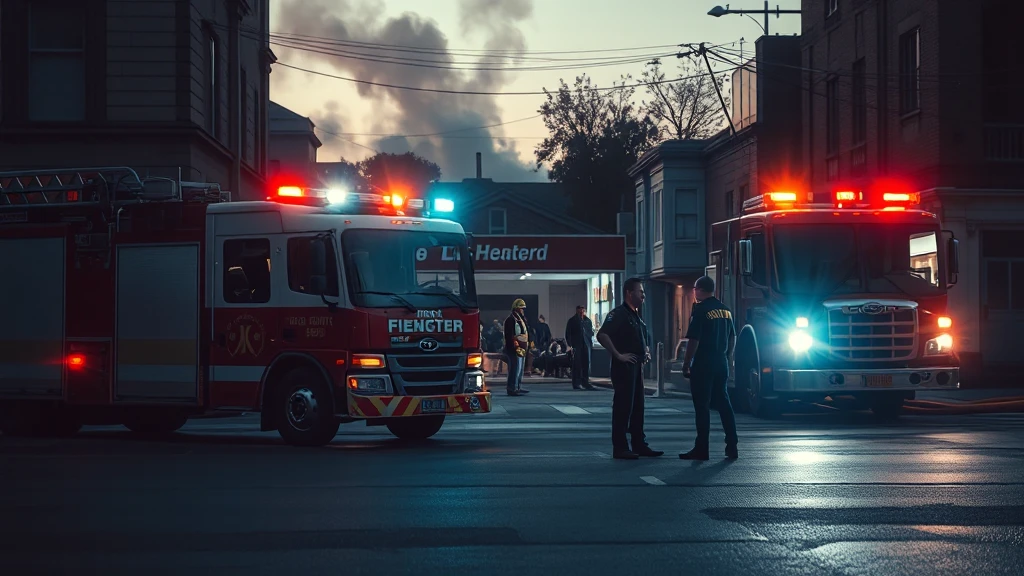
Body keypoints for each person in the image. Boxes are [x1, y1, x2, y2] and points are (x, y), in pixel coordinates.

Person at [597, 278, 664, 460]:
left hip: (637, 367)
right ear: (629, 293)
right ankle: (620, 448)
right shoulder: (618, 314)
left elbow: (640, 338)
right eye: (640, 291)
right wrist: (618, 354)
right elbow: (602, 334)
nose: (643, 295)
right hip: (624, 368)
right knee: (623, 408)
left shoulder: (635, 315)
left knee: (638, 408)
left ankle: (639, 444)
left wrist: (646, 351)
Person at [680, 275, 739, 460]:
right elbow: (732, 337)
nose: (694, 291)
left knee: (702, 406)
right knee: (724, 404)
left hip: (704, 363)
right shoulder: (725, 310)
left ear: (700, 289)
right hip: (721, 362)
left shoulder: (701, 310)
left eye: (695, 288)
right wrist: (727, 357)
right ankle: (732, 446)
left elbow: (694, 340)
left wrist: (686, 363)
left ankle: (702, 449)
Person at [503, 298, 531, 396]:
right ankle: (511, 388)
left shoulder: (522, 320)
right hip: (513, 349)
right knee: (514, 369)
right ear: (516, 309)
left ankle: (517, 386)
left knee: (520, 369)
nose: (522, 310)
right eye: (521, 308)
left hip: (522, 348)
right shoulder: (510, 320)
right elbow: (509, 335)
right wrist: (515, 346)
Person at [565, 306, 596, 390]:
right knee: (577, 364)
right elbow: (568, 333)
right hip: (577, 344)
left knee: (586, 363)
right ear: (577, 310)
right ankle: (576, 383)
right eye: (580, 309)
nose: (581, 311)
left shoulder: (587, 321)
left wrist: (590, 341)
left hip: (586, 344)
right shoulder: (572, 321)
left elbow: (590, 332)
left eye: (583, 310)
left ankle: (585, 382)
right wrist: (570, 345)